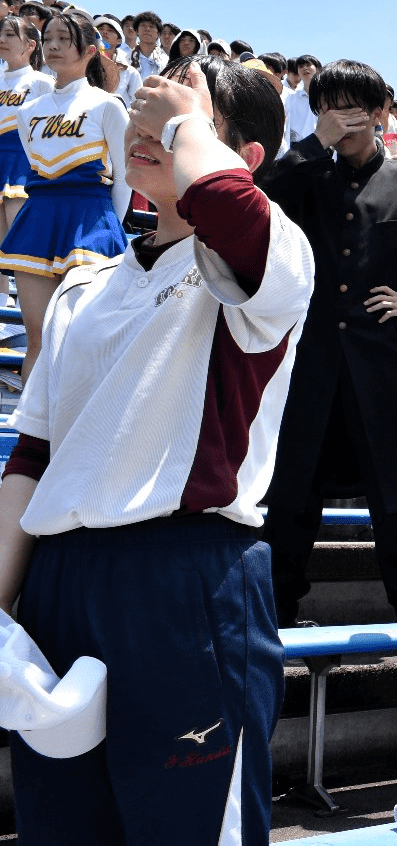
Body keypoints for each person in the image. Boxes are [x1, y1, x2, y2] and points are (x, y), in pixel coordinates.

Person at [0, 53, 314, 846]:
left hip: (188, 584)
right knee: (60, 828)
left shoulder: (271, 259)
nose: (148, 133)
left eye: (177, 124)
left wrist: (185, 125)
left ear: (239, 157)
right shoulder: (82, 287)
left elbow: (230, 212)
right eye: (144, 119)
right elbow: (31, 457)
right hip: (60, 582)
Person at [260, 59, 397, 634]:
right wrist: (315, 143)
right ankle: (275, 607)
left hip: (380, 357)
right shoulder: (305, 174)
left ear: (382, 111)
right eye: (329, 104)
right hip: (308, 358)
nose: (342, 116)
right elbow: (257, 204)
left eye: (354, 104)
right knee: (292, 489)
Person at [0, 10, 130, 379]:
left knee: (77, 337)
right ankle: (32, 435)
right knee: (38, 339)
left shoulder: (107, 106)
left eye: (65, 39)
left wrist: (110, 230)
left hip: (91, 219)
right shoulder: (27, 112)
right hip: (38, 219)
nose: (53, 45)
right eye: (49, 38)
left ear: (90, 50)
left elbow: (124, 179)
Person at [0, 15, 53, 242]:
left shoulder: (43, 83)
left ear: (31, 45)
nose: (2, 39)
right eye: (0, 33)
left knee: (22, 244)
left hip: (24, 165)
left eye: (10, 34)